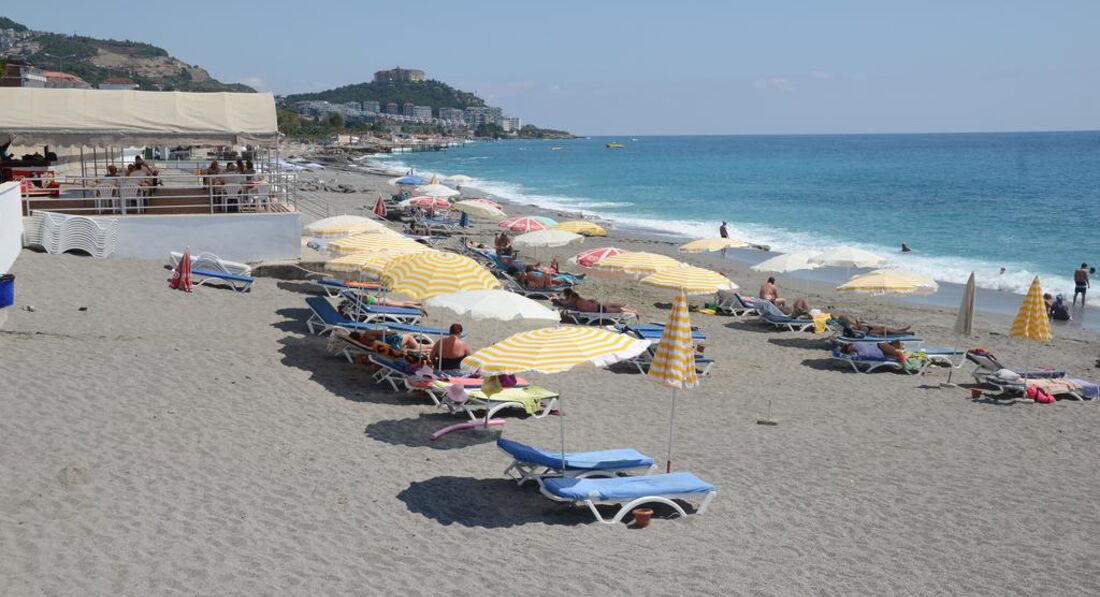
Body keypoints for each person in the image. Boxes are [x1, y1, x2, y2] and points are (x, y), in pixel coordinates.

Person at [553, 287, 638, 316]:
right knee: (611, 305)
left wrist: (556, 298)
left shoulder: (571, 298)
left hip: (596, 309)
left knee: (617, 310)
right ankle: (625, 306)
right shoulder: (574, 297)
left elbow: (565, 303)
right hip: (595, 306)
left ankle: (632, 311)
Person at [833, 314, 912, 336]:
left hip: (867, 328)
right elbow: (860, 330)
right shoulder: (849, 326)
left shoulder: (850, 323)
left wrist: (858, 323)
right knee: (885, 330)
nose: (847, 318)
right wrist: (858, 323)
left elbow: (834, 316)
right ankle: (904, 333)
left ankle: (900, 330)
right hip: (868, 332)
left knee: (883, 327)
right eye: (845, 318)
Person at [838, 340, 908, 363]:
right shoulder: (855, 353)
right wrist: (855, 353)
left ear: (849, 345)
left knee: (897, 351)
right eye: (846, 350)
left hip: (879, 347)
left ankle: (903, 354)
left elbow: (866, 352)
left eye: (847, 347)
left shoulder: (857, 344)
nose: (848, 349)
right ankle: (903, 353)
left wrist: (857, 352)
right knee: (897, 352)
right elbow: (865, 354)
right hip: (880, 352)